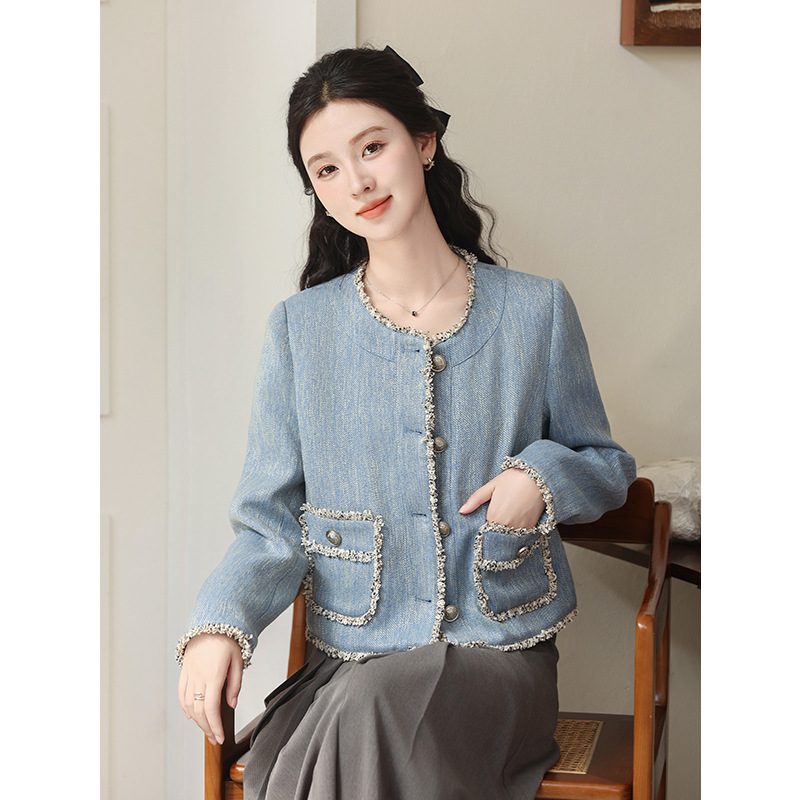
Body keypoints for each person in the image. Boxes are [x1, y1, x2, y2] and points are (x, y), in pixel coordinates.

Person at [177, 45, 636, 800]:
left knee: (373, 712)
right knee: (371, 704)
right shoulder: (300, 331)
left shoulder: (536, 310)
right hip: (354, 657)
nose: (356, 182)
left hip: (498, 656)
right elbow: (268, 522)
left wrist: (541, 477)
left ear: (424, 142)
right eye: (327, 169)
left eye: (372, 148)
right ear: (317, 191)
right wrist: (217, 625)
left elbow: (606, 464)